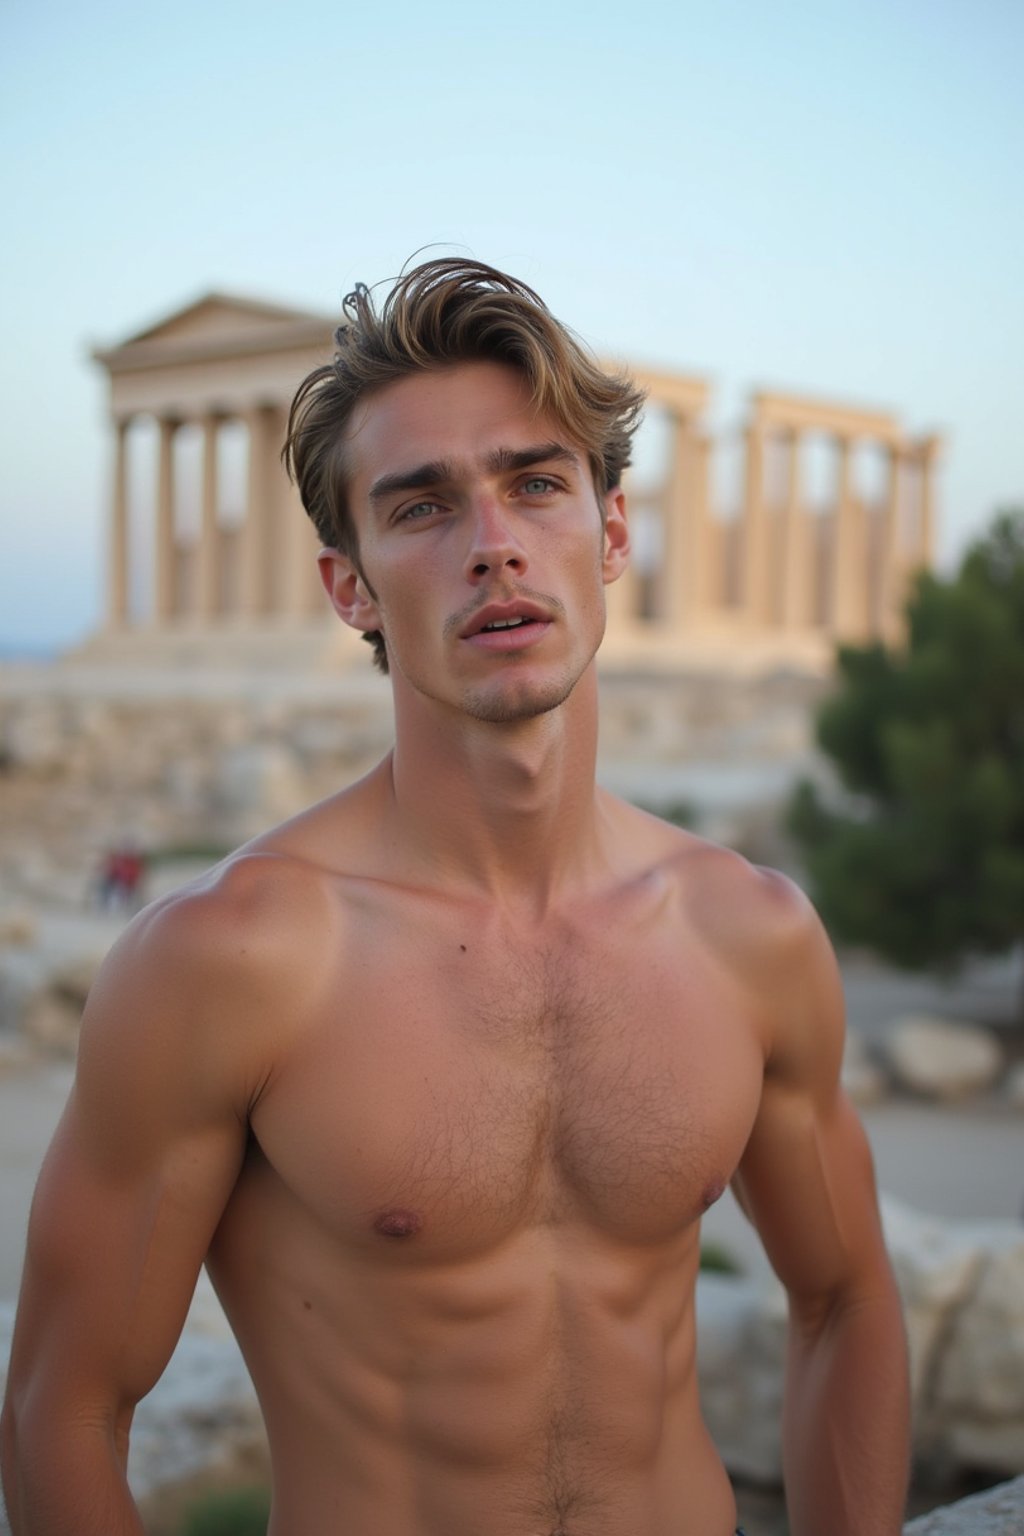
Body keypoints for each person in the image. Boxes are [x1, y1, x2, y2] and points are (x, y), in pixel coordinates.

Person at [1, 259, 910, 1535]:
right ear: (350, 587)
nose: (493, 545)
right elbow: (62, 1406)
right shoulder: (229, 963)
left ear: (608, 535)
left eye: (536, 483)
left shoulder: (746, 931)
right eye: (422, 507)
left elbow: (848, 1299)